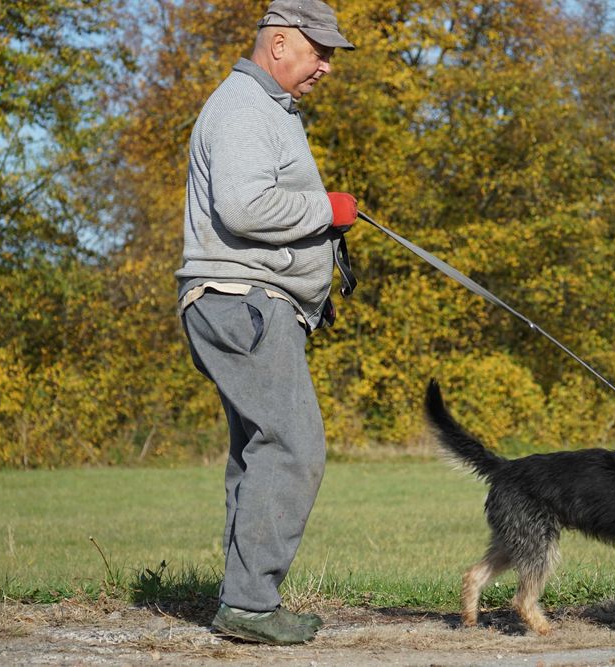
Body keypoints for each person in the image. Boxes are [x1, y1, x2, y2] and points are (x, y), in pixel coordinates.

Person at [175, 0, 357, 646]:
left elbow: (254, 213)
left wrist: (308, 284)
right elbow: (246, 205)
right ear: (279, 44)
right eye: (320, 52)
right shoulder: (246, 107)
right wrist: (326, 208)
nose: (327, 67)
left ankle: (241, 597)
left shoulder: (262, 108)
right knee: (292, 445)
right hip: (242, 301)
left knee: (258, 449)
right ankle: (251, 602)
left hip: (247, 300)